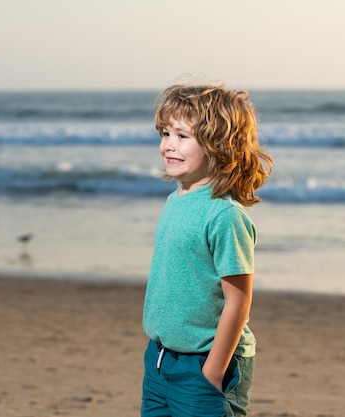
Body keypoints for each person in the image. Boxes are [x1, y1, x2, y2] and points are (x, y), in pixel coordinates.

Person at [141, 83, 273, 417]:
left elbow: (239, 301)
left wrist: (212, 373)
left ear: (219, 146)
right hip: (159, 361)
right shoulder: (176, 199)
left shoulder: (224, 215)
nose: (167, 145)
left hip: (207, 363)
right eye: (165, 133)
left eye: (182, 136)